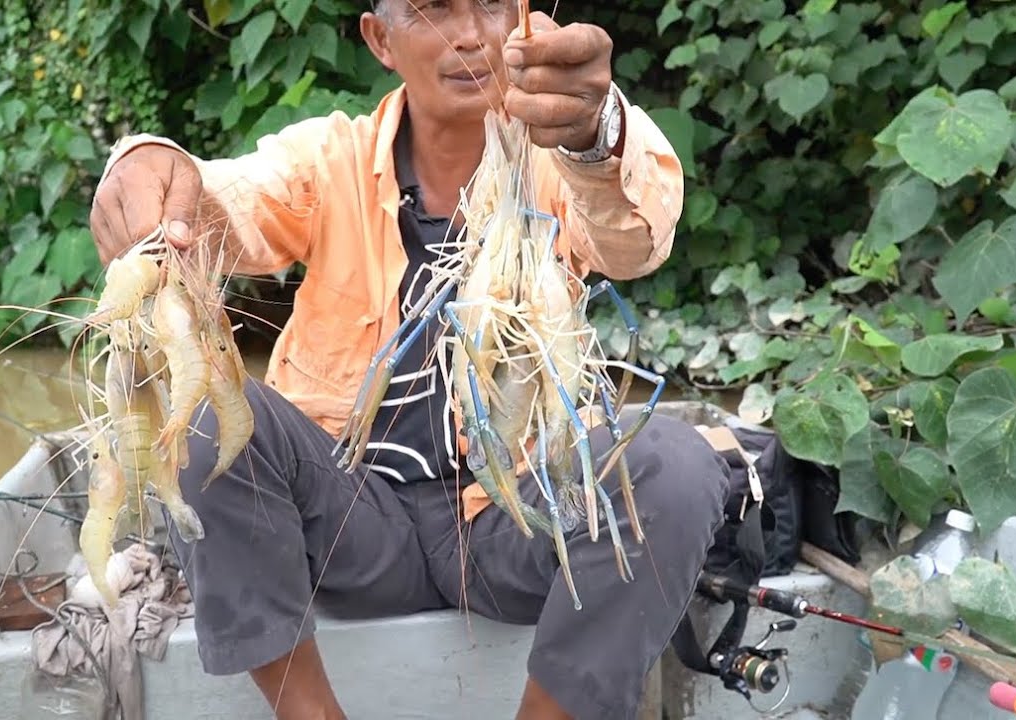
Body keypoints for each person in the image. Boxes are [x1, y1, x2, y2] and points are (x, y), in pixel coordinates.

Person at [89, 1, 731, 718]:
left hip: (517, 522)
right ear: (379, 39)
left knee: (676, 464)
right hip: (354, 528)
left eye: (491, 4)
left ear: (525, 19)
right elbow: (222, 202)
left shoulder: (558, 161)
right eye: (431, 9)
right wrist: (149, 167)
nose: (467, 34)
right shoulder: (326, 161)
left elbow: (637, 237)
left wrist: (595, 130)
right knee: (210, 406)